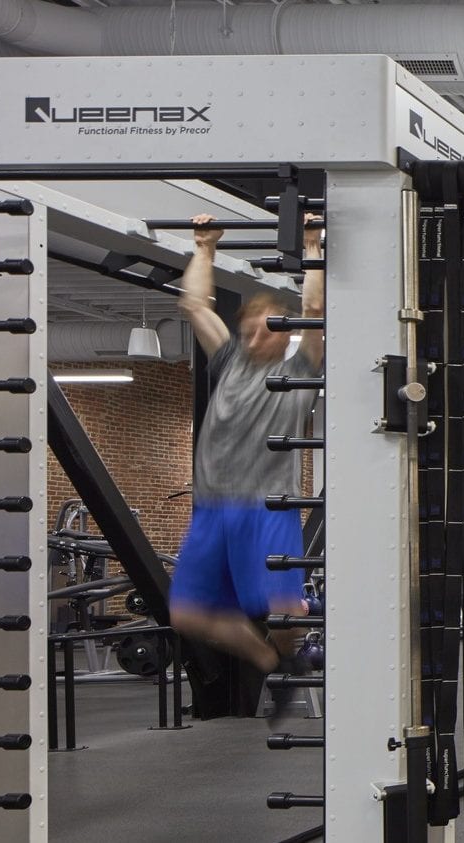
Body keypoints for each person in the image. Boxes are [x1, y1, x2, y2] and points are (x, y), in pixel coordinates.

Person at [170, 212, 324, 723]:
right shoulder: (229, 362)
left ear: (286, 335)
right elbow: (193, 304)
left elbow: (317, 306)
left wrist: (311, 244)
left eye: (266, 332)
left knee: (280, 611)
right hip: (211, 509)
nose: (255, 341)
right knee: (187, 614)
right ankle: (274, 664)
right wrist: (204, 247)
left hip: (267, 507)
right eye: (249, 332)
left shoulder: (300, 373)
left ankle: (291, 650)